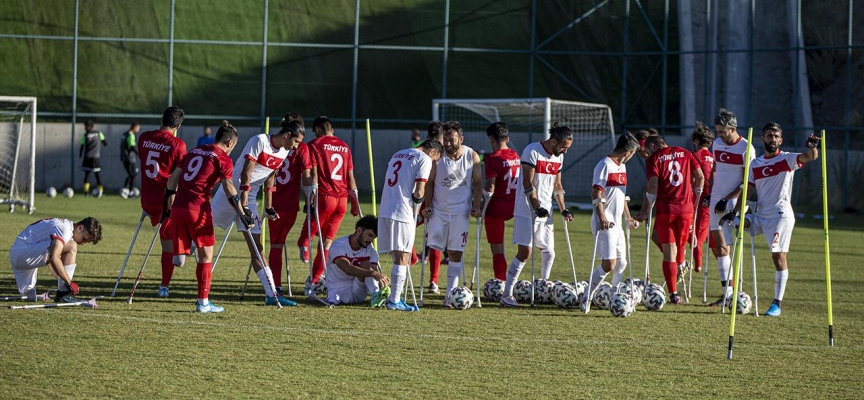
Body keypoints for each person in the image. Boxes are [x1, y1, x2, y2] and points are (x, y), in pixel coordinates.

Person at [210, 120, 305, 307]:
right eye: (296, 142)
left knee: (257, 248)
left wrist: (268, 206)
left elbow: (271, 176)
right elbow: (246, 173)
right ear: (287, 135)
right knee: (199, 233)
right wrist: (243, 205)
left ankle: (271, 295)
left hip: (250, 199)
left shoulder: (285, 151)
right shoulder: (259, 141)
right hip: (231, 193)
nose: (296, 146)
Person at [731, 123, 819, 317]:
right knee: (736, 223)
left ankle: (777, 304)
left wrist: (812, 147)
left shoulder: (787, 159)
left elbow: (810, 157)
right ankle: (730, 288)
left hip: (780, 216)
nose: (772, 139)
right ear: (762, 139)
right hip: (761, 215)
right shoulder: (755, 164)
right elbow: (747, 191)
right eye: (769, 135)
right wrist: (734, 212)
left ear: (781, 140)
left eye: (776, 136)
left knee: (778, 257)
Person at [164, 121, 241, 313]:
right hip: (198, 209)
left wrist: (170, 204)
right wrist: (241, 210)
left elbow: (172, 180)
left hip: (178, 208)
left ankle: (182, 252)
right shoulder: (223, 158)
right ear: (230, 143)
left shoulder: (194, 151)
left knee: (179, 261)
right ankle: (203, 303)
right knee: (206, 255)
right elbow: (228, 187)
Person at [500, 123, 573, 307]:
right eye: (563, 147)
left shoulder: (559, 157)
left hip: (546, 211)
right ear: (554, 141)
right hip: (527, 210)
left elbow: (557, 185)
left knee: (549, 252)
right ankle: (507, 295)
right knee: (525, 253)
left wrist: (563, 209)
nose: (565, 151)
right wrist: (536, 206)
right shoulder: (532, 151)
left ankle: (542, 287)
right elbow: (528, 182)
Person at [636, 135, 705, 305]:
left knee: (669, 252)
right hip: (686, 210)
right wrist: (695, 198)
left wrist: (648, 208)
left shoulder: (654, 159)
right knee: (679, 249)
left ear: (653, 146)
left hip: (666, 210)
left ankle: (674, 293)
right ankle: (683, 265)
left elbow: (653, 184)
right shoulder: (685, 152)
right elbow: (700, 177)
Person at [298, 116, 360, 296]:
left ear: (318, 129)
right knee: (326, 243)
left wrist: (309, 198)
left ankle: (303, 244)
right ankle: (314, 280)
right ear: (331, 129)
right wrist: (355, 204)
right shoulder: (345, 146)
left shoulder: (314, 145)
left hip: (325, 196)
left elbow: (314, 174)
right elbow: (351, 178)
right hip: (342, 200)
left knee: (311, 228)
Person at [379, 139, 443, 311]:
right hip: (402, 211)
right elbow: (420, 191)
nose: (433, 163)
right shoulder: (424, 158)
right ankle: (394, 300)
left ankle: (395, 298)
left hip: (385, 209)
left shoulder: (398, 153)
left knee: (398, 256)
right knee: (403, 257)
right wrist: (418, 206)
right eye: (435, 159)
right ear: (432, 151)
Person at [423, 121, 482, 307]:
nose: (448, 143)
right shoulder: (438, 156)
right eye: (445, 139)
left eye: (452, 140)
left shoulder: (471, 155)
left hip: (460, 212)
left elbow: (478, 183)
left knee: (456, 252)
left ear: (461, 139)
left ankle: (450, 295)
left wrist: (476, 205)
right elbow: (429, 182)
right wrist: (427, 205)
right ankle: (433, 281)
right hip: (439, 211)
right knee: (435, 247)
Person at [138, 106, 188, 298]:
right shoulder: (178, 145)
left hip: (146, 201)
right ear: (179, 126)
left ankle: (182, 246)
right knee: (190, 210)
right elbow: (178, 176)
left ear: (162, 119)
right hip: (166, 202)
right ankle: (164, 285)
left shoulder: (143, 137)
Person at [707, 108, 756, 306]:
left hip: (733, 202)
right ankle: (727, 293)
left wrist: (727, 199)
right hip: (715, 200)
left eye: (723, 132)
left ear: (733, 129)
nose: (719, 135)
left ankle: (731, 293)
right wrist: (711, 193)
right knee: (720, 246)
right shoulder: (717, 144)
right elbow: (715, 170)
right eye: (717, 131)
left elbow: (747, 182)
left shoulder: (746, 148)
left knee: (727, 246)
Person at [585, 133, 640, 298]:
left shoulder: (622, 167)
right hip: (605, 222)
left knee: (622, 263)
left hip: (617, 225)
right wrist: (602, 218)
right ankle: (586, 296)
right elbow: (596, 193)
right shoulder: (604, 165)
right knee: (609, 264)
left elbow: (620, 196)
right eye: (632, 154)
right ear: (627, 152)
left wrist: (628, 218)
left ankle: (614, 297)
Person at [268, 113, 314, 294]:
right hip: (289, 204)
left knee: (276, 245)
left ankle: (276, 285)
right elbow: (307, 177)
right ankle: (276, 285)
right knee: (278, 244)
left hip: (273, 201)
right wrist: (309, 200)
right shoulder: (301, 148)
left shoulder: (272, 143)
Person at [9, 217, 102, 302]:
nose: (83, 244)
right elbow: (53, 257)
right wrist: (69, 283)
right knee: (71, 246)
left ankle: (62, 293)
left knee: (30, 296)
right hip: (22, 253)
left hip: (20, 253)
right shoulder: (65, 229)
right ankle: (63, 294)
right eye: (84, 239)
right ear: (80, 228)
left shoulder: (66, 227)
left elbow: (52, 260)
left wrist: (63, 281)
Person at [324, 215, 391, 306]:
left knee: (366, 265)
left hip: (358, 290)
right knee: (368, 269)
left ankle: (376, 295)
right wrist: (373, 273)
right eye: (370, 235)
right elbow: (347, 269)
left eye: (373, 238)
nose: (370, 240)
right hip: (337, 289)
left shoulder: (371, 251)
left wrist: (382, 284)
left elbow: (373, 273)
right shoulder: (338, 245)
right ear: (359, 230)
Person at [482, 122, 521, 281]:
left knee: (497, 249)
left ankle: (501, 281)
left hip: (497, 207)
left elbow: (490, 186)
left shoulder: (492, 158)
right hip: (515, 204)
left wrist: (481, 205)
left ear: (491, 139)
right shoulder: (515, 155)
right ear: (507, 138)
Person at [420, 120, 448, 293]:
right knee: (436, 238)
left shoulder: (420, 150)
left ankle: (411, 260)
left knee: (406, 230)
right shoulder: (447, 153)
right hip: (437, 201)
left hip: (419, 199)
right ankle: (434, 281)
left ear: (427, 136)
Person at [689, 122, 715, 273]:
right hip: (713, 200)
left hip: (698, 201)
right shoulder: (714, 158)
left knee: (695, 238)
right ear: (710, 143)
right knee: (712, 240)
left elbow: (691, 179)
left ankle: (696, 266)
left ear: (695, 140)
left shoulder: (693, 157)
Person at [79, 120, 107, 197]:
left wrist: (80, 154)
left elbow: (82, 146)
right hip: (95, 157)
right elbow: (105, 143)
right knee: (96, 174)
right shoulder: (99, 133)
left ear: (91, 126)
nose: (85, 128)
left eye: (86, 126)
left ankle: (86, 192)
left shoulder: (85, 135)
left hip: (87, 157)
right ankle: (98, 192)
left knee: (88, 174)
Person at [120, 122, 141, 198]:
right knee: (133, 174)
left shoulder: (124, 134)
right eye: (138, 128)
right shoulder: (130, 135)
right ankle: (129, 191)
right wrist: (139, 154)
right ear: (135, 127)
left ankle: (126, 189)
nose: (138, 130)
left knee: (131, 174)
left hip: (124, 157)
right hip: (130, 158)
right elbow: (132, 146)